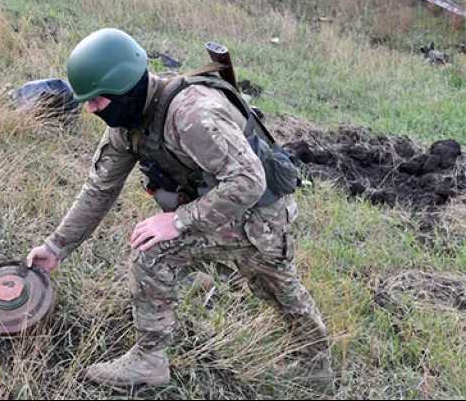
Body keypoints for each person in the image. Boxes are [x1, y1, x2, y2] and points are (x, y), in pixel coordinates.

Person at [26, 28, 331, 389]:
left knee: (175, 256)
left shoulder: (191, 115)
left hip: (259, 214)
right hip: (222, 202)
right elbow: (99, 189)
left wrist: (179, 221)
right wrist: (56, 246)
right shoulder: (128, 124)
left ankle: (153, 361)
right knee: (264, 277)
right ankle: (313, 365)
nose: (91, 110)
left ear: (125, 87)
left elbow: (249, 181)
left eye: (98, 100)